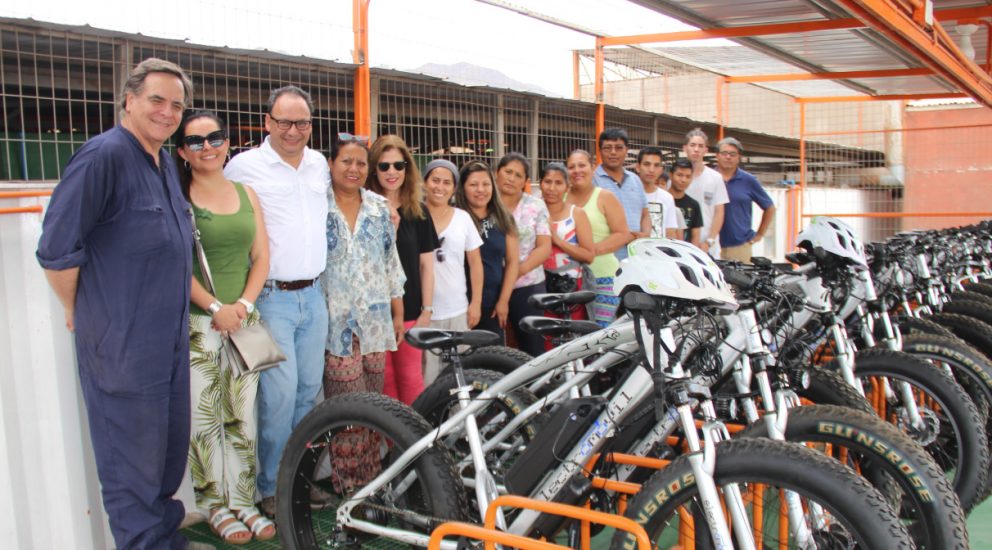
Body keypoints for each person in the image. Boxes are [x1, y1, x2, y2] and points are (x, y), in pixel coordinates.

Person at [36, 58, 213, 550]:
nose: (167, 111)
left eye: (177, 104)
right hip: (124, 349)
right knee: (131, 469)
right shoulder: (103, 157)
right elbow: (56, 251)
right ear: (129, 100)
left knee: (164, 459)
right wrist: (85, 310)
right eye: (157, 100)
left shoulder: (159, 162)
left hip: (169, 347)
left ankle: (165, 539)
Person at [223, 85, 330, 517]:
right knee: (279, 397)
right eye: (283, 121)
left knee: (308, 394)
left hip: (314, 295)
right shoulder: (244, 166)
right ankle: (271, 488)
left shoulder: (319, 163)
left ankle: (299, 482)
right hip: (271, 298)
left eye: (301, 122)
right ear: (267, 122)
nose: (292, 130)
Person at [175, 111, 276, 544]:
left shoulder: (245, 193)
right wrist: (216, 306)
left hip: (242, 319)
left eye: (214, 137)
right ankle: (213, 504)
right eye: (195, 142)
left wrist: (243, 305)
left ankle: (243, 500)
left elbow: (262, 257)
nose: (207, 147)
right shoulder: (179, 197)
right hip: (200, 323)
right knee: (206, 418)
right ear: (182, 152)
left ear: (227, 142)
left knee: (242, 418)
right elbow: (175, 266)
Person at [322, 132, 405, 492]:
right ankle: (352, 487)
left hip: (375, 322)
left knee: (373, 404)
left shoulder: (378, 207)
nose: (354, 168)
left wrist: (398, 313)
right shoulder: (316, 204)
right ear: (331, 164)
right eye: (346, 161)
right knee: (348, 409)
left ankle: (372, 481)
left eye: (360, 162)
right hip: (334, 322)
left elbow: (390, 263)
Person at [366, 135, 438, 404]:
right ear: (374, 169)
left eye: (399, 165)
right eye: (384, 166)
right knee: (384, 384)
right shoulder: (364, 210)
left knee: (411, 380)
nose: (392, 172)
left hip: (410, 311)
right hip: (374, 313)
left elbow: (426, 266)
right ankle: (392, 444)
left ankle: (414, 442)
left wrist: (427, 311)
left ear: (407, 168)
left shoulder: (418, 212)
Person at [423, 159, 483, 385]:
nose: (440, 187)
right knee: (426, 379)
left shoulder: (463, 218)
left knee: (458, 377)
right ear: (424, 182)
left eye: (447, 182)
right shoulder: (414, 214)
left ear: (454, 187)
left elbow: (476, 263)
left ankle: (458, 420)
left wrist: (475, 303)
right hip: (424, 315)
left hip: (457, 311)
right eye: (435, 180)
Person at [565, 149, 633, 326]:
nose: (577, 170)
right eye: (571, 166)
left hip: (603, 277)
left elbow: (623, 234)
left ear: (593, 167)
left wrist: (589, 252)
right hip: (568, 280)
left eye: (582, 165)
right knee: (571, 336)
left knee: (599, 336)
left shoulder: (604, 197)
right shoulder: (560, 198)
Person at [496, 153, 552, 357]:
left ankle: (536, 389)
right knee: (495, 346)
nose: (511, 178)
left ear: (525, 182)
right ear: (497, 173)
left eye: (518, 175)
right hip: (491, 285)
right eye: (508, 172)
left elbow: (544, 247)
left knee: (532, 346)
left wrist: (515, 273)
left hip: (527, 285)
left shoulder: (535, 206)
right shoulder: (485, 204)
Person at [456, 160, 519, 342]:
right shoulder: (456, 216)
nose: (480, 190)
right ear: (463, 188)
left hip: (493, 304)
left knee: (494, 359)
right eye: (473, 185)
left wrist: (503, 301)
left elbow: (513, 261)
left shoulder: (503, 217)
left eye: (486, 184)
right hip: (461, 303)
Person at [539, 162, 594, 313]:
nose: (552, 188)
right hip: (539, 287)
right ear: (540, 183)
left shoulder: (576, 214)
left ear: (567, 186)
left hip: (571, 289)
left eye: (558, 183)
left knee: (573, 334)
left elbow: (589, 256)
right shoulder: (532, 211)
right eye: (547, 182)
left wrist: (557, 240)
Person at [592, 127, 651, 260]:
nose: (613, 152)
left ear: (627, 150)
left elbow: (645, 214)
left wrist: (645, 234)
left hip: (635, 257)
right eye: (607, 148)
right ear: (600, 151)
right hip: (605, 258)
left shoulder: (635, 180)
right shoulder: (592, 181)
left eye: (619, 147)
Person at [716, 137, 776, 264]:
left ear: (739, 158)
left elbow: (769, 207)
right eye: (724, 153)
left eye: (732, 154)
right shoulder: (709, 177)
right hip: (711, 245)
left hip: (740, 247)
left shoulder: (748, 181)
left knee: (741, 283)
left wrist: (759, 235)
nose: (728, 157)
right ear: (717, 156)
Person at [683, 128, 729, 258]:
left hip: (708, 248)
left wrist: (709, 242)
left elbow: (719, 212)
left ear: (706, 150)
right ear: (685, 148)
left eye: (700, 146)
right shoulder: (675, 178)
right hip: (683, 245)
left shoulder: (715, 178)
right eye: (692, 145)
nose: (696, 149)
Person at [635, 146, 680, 239]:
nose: (651, 170)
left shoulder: (667, 198)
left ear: (661, 170)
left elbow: (670, 233)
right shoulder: (628, 194)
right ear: (638, 167)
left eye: (656, 165)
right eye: (647, 164)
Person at [669, 158, 704, 247]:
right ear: (671, 175)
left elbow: (695, 238)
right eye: (679, 175)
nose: (683, 180)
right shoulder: (662, 200)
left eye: (688, 176)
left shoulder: (694, 205)